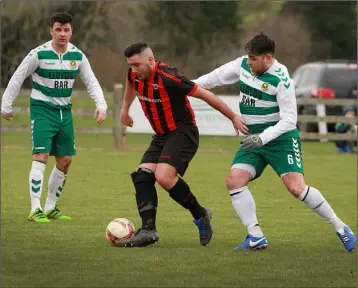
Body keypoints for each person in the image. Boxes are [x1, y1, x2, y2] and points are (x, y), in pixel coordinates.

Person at [193, 32, 356, 252]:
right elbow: (212, 79)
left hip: (281, 139)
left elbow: (290, 120)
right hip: (253, 140)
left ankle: (340, 227)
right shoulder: (243, 65)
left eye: (253, 58)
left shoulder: (281, 79)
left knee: (296, 188)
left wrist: (263, 137)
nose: (248, 62)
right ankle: (255, 236)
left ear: (267, 58)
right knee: (234, 180)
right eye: (248, 57)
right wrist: (185, 86)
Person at [118, 42, 245, 248]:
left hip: (183, 132)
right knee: (142, 176)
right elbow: (130, 83)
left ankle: (200, 214)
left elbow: (206, 95)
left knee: (163, 176)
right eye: (130, 65)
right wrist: (125, 110)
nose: (133, 70)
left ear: (151, 60)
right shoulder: (134, 74)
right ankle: (148, 230)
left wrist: (232, 116)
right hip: (161, 135)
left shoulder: (170, 77)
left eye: (137, 65)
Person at [1, 13, 108, 223]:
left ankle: (50, 207)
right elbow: (18, 76)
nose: (62, 34)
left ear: (71, 31)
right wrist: (5, 104)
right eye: (58, 29)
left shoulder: (77, 56)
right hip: (42, 110)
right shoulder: (38, 54)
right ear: (51, 30)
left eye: (66, 30)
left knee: (66, 160)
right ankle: (35, 209)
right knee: (41, 155)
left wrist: (101, 105)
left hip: (64, 113)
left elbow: (92, 82)